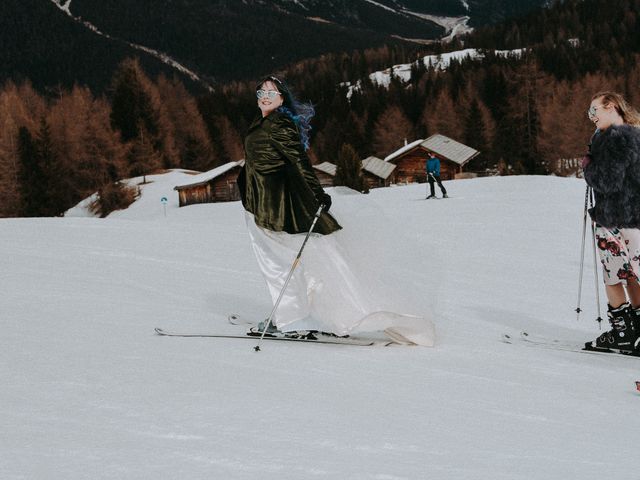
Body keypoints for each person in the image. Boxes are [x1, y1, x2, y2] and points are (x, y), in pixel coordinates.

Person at [237, 75, 435, 345]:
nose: (265, 96)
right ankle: (290, 314)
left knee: (279, 263)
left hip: (278, 207)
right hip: (262, 202)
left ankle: (291, 319)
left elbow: (300, 163)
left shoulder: (279, 124)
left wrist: (317, 195)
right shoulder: (262, 122)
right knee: (280, 261)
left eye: (272, 93)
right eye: (262, 91)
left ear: (282, 99)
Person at [582, 91, 640, 352]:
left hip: (616, 218)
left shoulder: (614, 138)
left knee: (614, 276)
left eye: (594, 110)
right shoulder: (634, 133)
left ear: (611, 106)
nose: (591, 116)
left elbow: (607, 181)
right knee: (634, 275)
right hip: (633, 217)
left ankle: (623, 332)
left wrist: (588, 166)